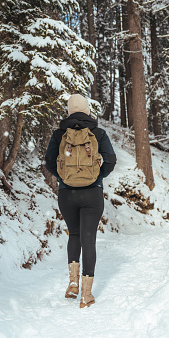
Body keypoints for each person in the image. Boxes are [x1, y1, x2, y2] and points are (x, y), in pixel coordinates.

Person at [44, 94, 116, 308]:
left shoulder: (59, 134)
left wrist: (63, 179)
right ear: (87, 110)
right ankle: (86, 295)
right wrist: (97, 176)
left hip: (67, 194)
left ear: (69, 111)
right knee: (88, 239)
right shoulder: (98, 133)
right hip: (92, 193)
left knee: (74, 234)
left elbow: (49, 162)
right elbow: (110, 160)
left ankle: (73, 282)